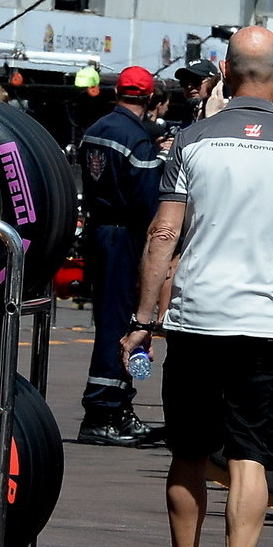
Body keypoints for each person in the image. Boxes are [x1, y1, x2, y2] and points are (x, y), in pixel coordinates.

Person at [124, 26, 273, 547]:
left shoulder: (190, 142)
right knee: (250, 458)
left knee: (188, 452)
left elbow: (163, 236)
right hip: (267, 324)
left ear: (226, 73)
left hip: (197, 318)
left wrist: (142, 319)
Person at [74, 65, 166, 448]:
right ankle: (105, 412)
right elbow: (147, 200)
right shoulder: (137, 139)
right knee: (122, 324)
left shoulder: (95, 131)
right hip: (125, 237)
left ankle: (114, 408)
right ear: (148, 99)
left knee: (109, 320)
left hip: (99, 231)